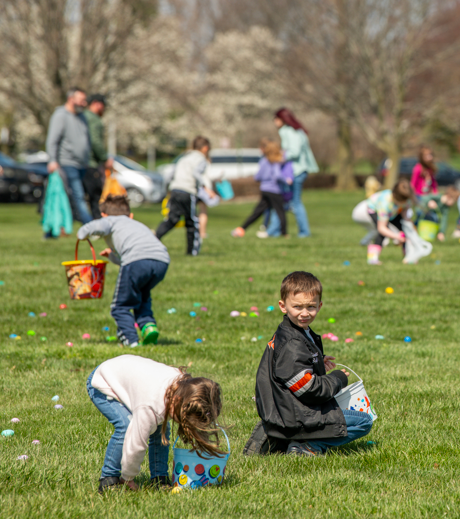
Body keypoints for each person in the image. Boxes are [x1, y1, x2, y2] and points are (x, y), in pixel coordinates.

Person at [247, 271, 373, 456]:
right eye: (297, 307)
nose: (304, 313)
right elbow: (308, 389)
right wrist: (337, 380)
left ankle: (283, 435)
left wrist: (316, 361)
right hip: (294, 414)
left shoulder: (293, 332)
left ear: (319, 306)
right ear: (283, 306)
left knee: (344, 411)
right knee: (364, 421)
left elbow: (292, 368)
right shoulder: (292, 343)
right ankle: (305, 446)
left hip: (288, 408)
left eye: (311, 307)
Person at [86, 354, 224, 492]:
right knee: (126, 426)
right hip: (104, 380)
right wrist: (128, 477)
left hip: (128, 374)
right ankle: (109, 479)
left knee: (161, 430)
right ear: (177, 400)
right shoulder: (149, 408)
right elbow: (136, 445)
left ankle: (159, 478)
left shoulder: (183, 388)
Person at [77, 194, 170, 348]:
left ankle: (131, 341)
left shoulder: (110, 221)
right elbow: (131, 257)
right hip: (161, 261)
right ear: (130, 215)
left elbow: (94, 227)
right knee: (142, 296)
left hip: (137, 261)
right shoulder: (137, 224)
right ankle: (148, 326)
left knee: (120, 306)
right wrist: (112, 256)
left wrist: (81, 233)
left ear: (104, 215)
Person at [155, 136, 216, 256]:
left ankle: (154, 238)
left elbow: (170, 174)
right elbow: (196, 173)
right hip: (188, 191)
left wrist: (167, 190)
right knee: (192, 222)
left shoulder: (184, 158)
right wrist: (206, 188)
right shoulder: (201, 159)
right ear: (205, 148)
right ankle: (192, 251)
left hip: (175, 190)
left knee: (172, 219)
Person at [46, 87, 93, 224]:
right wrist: (52, 160)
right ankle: (89, 225)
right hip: (67, 163)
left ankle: (55, 228)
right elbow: (53, 140)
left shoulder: (82, 117)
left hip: (81, 164)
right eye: (81, 100)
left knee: (74, 198)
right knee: (78, 196)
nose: (84, 103)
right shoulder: (60, 115)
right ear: (71, 99)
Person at [269, 108, 318, 238]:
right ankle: (274, 230)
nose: (274, 121)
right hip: (297, 170)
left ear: (282, 119)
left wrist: (280, 156)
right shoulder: (297, 131)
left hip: (295, 172)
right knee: (286, 202)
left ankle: (303, 232)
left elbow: (294, 151)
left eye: (276, 118)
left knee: (294, 202)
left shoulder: (289, 131)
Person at [231, 139, 293, 239]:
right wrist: (286, 180)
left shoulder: (263, 161)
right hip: (274, 190)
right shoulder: (275, 162)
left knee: (257, 212)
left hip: (264, 189)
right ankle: (284, 233)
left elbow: (257, 176)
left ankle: (241, 229)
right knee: (280, 211)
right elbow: (277, 175)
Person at [352, 180, 414, 265]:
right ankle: (373, 258)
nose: (404, 203)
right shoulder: (385, 202)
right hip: (374, 210)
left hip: (393, 211)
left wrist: (409, 227)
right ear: (394, 195)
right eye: (401, 202)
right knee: (383, 232)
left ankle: (408, 257)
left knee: (405, 228)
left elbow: (405, 215)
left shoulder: (406, 199)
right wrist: (396, 236)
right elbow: (381, 228)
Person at [84, 93, 113, 219]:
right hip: (91, 164)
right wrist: (104, 158)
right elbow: (95, 141)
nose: (104, 109)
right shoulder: (94, 119)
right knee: (95, 197)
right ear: (96, 104)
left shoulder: (82, 117)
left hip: (81, 162)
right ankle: (96, 224)